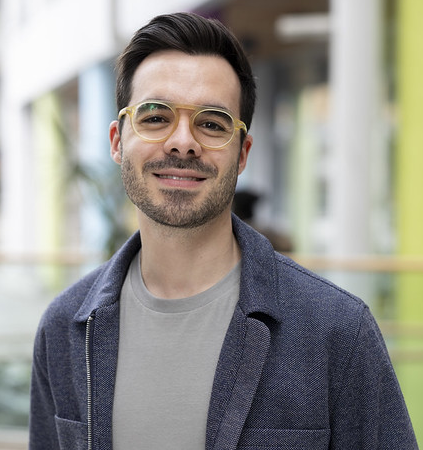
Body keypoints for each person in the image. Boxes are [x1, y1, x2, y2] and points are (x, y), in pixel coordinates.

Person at [29, 12, 418, 450]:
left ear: (243, 152)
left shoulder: (337, 332)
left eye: (212, 123)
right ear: (118, 141)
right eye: (156, 117)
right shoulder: (64, 329)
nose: (182, 142)